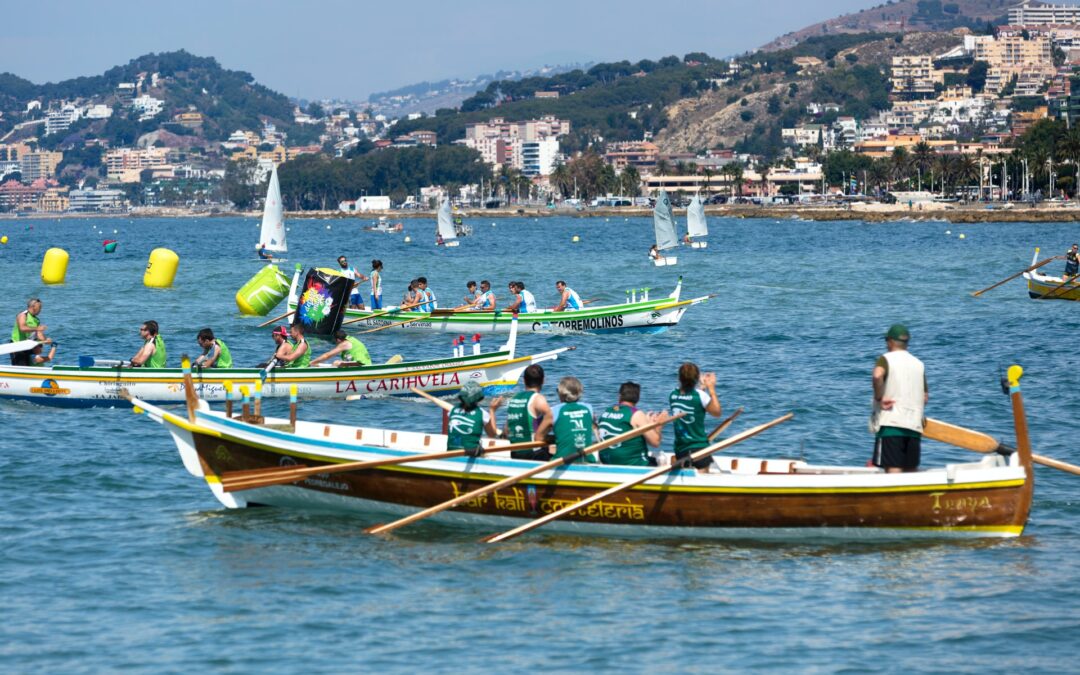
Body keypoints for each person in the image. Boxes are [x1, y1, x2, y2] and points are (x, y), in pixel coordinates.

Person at [870, 324, 928, 474]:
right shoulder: (918, 364)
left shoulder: (886, 359)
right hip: (914, 426)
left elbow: (877, 375)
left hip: (891, 425)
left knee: (893, 470)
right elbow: (925, 397)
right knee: (910, 471)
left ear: (889, 341)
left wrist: (879, 397)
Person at [489, 364, 553, 460]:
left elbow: (506, 431)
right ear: (543, 380)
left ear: (524, 381)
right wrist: (540, 436)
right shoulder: (537, 398)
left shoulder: (514, 399)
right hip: (533, 453)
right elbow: (550, 417)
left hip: (514, 452)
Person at [598, 382, 668, 466]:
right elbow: (655, 443)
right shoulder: (636, 414)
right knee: (662, 460)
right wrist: (659, 425)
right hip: (631, 463)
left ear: (619, 396)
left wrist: (648, 425)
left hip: (607, 461)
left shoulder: (606, 411)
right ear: (638, 398)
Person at [669, 362, 722, 470]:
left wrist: (702, 388)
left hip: (681, 448)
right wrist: (711, 388)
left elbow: (693, 402)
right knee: (703, 479)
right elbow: (717, 413)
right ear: (697, 378)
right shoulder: (701, 396)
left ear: (679, 378)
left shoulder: (673, 395)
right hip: (699, 446)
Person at [549, 376, 597, 464]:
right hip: (587, 459)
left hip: (562, 461)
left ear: (561, 393)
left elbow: (538, 437)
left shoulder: (553, 411)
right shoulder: (589, 408)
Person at [447, 381, 499, 456]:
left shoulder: (452, 411)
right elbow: (492, 435)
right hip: (471, 454)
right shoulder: (482, 414)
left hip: (451, 454)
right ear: (478, 398)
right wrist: (492, 410)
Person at [10, 297, 49, 366]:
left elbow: (39, 334)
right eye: (39, 307)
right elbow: (22, 328)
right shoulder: (23, 315)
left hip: (27, 346)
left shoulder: (36, 320)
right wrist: (37, 328)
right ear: (33, 306)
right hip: (17, 346)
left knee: (38, 349)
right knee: (21, 368)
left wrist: (46, 340)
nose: (41, 310)